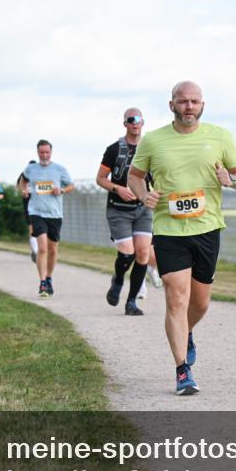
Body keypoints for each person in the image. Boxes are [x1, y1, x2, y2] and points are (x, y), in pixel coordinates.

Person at [129, 81, 236, 395]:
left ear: (202, 105)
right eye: (183, 101)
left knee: (200, 302)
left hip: (207, 228)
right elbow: (134, 176)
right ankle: (182, 370)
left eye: (195, 101)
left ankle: (187, 331)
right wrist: (143, 195)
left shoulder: (220, 136)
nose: (189, 107)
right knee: (176, 298)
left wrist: (230, 179)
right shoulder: (153, 140)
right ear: (172, 105)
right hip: (169, 230)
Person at [97, 108, 155, 316]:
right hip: (119, 210)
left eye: (139, 119)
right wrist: (118, 188)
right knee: (127, 253)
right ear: (125, 124)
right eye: (131, 119)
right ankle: (119, 278)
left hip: (143, 209)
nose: (135, 123)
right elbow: (100, 178)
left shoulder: (150, 149)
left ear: (143, 123)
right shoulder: (114, 150)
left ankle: (131, 302)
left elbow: (156, 177)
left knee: (143, 253)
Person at [21, 140, 74, 297]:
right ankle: (42, 282)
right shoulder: (31, 169)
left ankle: (49, 277)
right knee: (42, 247)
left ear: (51, 152)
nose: (44, 155)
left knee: (52, 249)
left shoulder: (59, 169)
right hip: (36, 212)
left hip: (55, 214)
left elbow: (71, 186)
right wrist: (24, 189)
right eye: (41, 152)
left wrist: (62, 190)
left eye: (47, 152)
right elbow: (23, 180)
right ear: (37, 152)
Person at [17, 161, 38, 262]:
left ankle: (38, 249)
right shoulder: (24, 175)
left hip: (40, 202)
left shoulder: (41, 175)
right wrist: (23, 191)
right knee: (31, 227)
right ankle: (35, 251)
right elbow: (18, 186)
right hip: (28, 203)